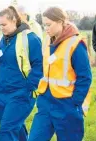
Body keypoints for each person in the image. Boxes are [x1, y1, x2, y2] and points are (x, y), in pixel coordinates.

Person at [28, 7, 92, 141]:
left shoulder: (75, 43)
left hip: (67, 104)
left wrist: (75, 102)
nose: (46, 28)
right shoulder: (47, 40)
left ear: (61, 21)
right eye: (44, 24)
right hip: (45, 102)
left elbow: (85, 77)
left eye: (49, 24)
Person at [0, 6, 43, 141]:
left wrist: (28, 87)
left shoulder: (30, 38)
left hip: (21, 94)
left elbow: (40, 65)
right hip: (1, 93)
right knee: (15, 128)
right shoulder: (0, 40)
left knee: (6, 131)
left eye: (4, 24)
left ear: (14, 20)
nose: (1, 28)